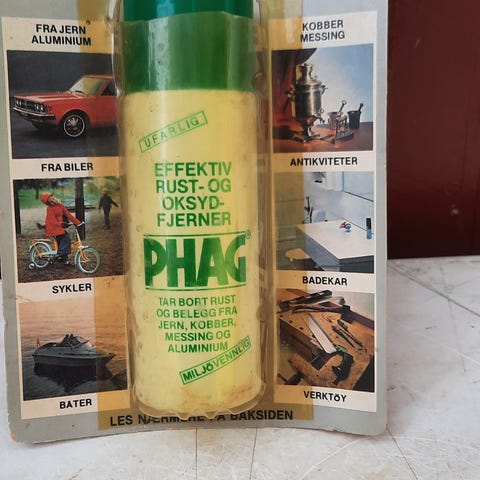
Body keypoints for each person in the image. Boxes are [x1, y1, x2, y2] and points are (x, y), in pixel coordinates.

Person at [40, 192, 81, 265]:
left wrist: (77, 222)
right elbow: (52, 221)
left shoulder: (60, 205)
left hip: (59, 226)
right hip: (53, 227)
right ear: (48, 202)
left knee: (63, 240)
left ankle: (64, 260)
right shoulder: (50, 208)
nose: (52, 199)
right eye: (50, 199)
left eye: (52, 196)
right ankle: (59, 254)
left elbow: (68, 214)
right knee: (66, 237)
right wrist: (61, 224)